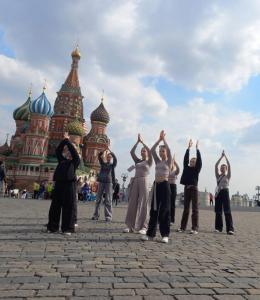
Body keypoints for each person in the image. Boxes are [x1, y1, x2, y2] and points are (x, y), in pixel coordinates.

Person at [45, 133, 80, 235]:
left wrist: (69, 143)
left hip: (69, 185)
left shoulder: (75, 161)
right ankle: (52, 227)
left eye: (70, 152)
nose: (69, 153)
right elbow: (58, 150)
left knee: (68, 207)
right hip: (59, 184)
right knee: (55, 206)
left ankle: (67, 229)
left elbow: (75, 153)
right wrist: (64, 140)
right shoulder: (62, 160)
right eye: (67, 152)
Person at [142, 130, 172, 243]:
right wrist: (159, 140)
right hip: (156, 186)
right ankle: (150, 234)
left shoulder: (168, 162)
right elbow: (152, 150)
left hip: (165, 186)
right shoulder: (157, 161)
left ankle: (165, 235)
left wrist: (164, 140)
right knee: (154, 210)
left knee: (165, 210)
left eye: (163, 151)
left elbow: (169, 150)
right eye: (160, 151)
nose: (161, 152)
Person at [124, 134, 153, 234]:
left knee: (144, 203)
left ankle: (144, 226)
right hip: (135, 181)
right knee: (132, 203)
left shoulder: (149, 161)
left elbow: (150, 151)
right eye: (141, 151)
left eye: (144, 150)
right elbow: (131, 152)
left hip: (144, 181)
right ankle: (130, 225)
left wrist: (144, 142)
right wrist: (138, 142)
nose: (142, 152)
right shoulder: (137, 160)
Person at [177, 139, 202, 234]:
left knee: (195, 209)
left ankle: (194, 228)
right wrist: (188, 148)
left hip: (194, 189)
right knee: (186, 209)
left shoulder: (197, 170)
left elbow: (199, 161)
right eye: (191, 161)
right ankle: (182, 227)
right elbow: (185, 159)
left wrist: (197, 149)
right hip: (186, 189)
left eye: (193, 161)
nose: (191, 162)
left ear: (196, 164)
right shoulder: (186, 167)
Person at [91, 146, 117, 222]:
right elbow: (99, 156)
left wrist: (110, 151)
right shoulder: (103, 164)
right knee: (98, 199)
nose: (109, 158)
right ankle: (96, 215)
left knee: (108, 200)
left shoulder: (112, 165)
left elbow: (115, 159)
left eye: (110, 157)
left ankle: (108, 216)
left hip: (109, 182)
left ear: (111, 158)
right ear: (106, 157)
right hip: (101, 182)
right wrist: (104, 150)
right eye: (108, 157)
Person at [214, 151, 234, 235]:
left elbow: (229, 165)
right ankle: (218, 228)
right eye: (221, 167)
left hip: (225, 192)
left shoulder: (227, 176)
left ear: (226, 169)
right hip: (218, 193)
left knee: (227, 210)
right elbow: (215, 165)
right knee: (218, 211)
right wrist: (220, 157)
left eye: (224, 167)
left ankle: (230, 229)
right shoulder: (218, 176)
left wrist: (225, 157)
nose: (222, 168)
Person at [169, 154, 180, 225]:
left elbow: (178, 169)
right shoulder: (166, 170)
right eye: (171, 164)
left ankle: (171, 220)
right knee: (165, 204)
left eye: (172, 164)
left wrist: (175, 161)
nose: (171, 165)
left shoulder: (175, 171)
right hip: (166, 186)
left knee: (172, 204)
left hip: (173, 187)